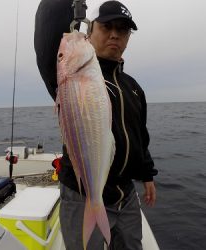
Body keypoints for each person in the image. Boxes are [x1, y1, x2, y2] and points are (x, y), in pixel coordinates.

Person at [57, 1, 158, 250]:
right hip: (81, 193)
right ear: (90, 32)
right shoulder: (72, 77)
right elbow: (47, 33)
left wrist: (147, 175)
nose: (114, 34)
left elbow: (140, 136)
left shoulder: (133, 87)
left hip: (125, 194)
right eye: (107, 27)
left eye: (122, 30)